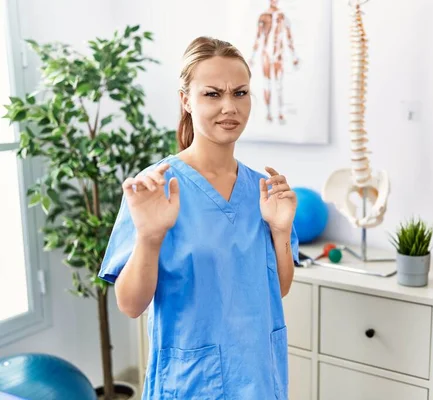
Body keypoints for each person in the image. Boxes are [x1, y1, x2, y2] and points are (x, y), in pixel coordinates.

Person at [98, 36, 299, 400]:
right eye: (212, 94)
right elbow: (129, 305)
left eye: (240, 93)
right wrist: (149, 236)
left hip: (260, 376)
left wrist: (281, 231)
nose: (229, 107)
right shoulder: (156, 188)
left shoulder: (263, 190)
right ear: (186, 100)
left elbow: (276, 290)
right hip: (191, 383)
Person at [249, 0, 300, 124]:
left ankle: (280, 113)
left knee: (278, 84)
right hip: (266, 54)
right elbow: (258, 37)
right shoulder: (264, 17)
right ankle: (268, 113)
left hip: (278, 55)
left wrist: (293, 56)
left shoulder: (283, 18)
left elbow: (289, 38)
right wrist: (253, 57)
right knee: (267, 83)